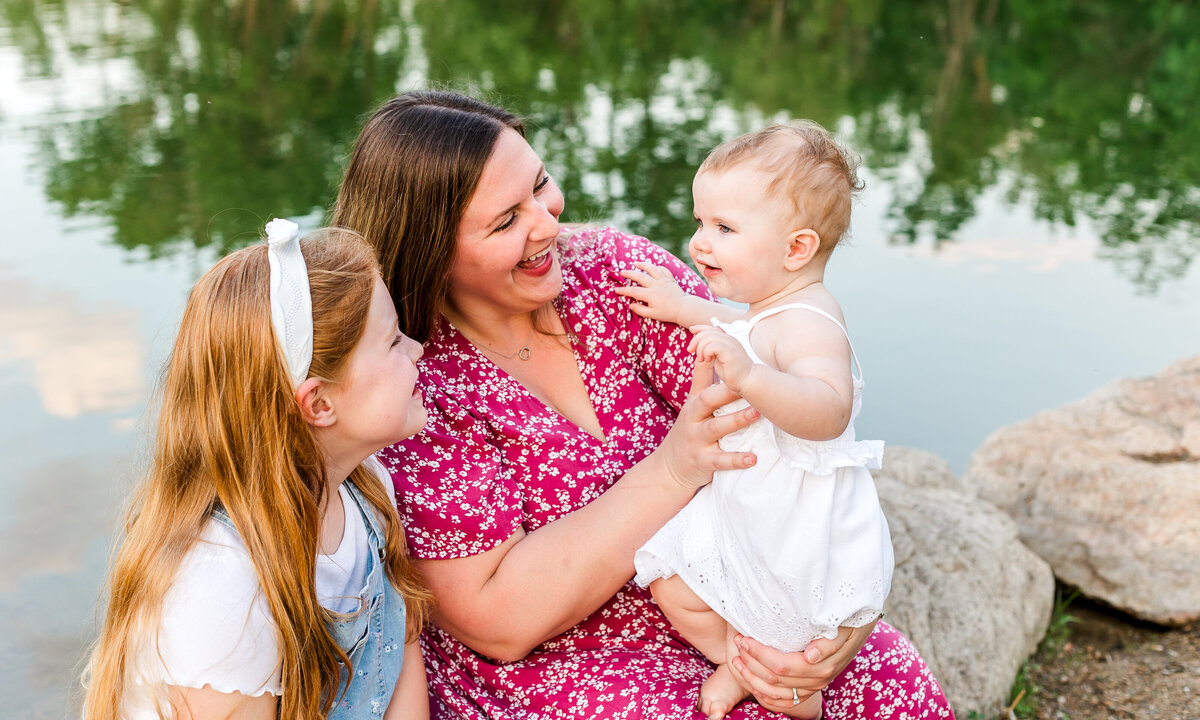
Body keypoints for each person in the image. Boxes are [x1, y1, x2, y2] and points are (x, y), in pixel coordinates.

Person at [331, 90, 954, 720]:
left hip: (731, 589)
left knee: (884, 676)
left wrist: (832, 624)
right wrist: (675, 467)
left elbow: (790, 421)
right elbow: (495, 621)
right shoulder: (407, 380)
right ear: (430, 247)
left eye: (541, 186)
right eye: (505, 222)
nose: (549, 224)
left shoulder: (614, 276)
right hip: (562, 660)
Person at [83, 221, 432, 720]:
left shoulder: (366, 487)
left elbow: (401, 657)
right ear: (320, 403)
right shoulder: (220, 587)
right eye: (394, 340)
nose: (416, 348)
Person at [625, 123, 893, 720]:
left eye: (723, 228)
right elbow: (733, 321)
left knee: (785, 606)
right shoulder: (767, 305)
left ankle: (784, 682)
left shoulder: (813, 320)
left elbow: (829, 409)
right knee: (671, 578)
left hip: (793, 522)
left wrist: (749, 378)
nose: (699, 243)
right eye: (699, 222)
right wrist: (680, 307)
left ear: (795, 249)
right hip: (747, 503)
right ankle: (747, 664)